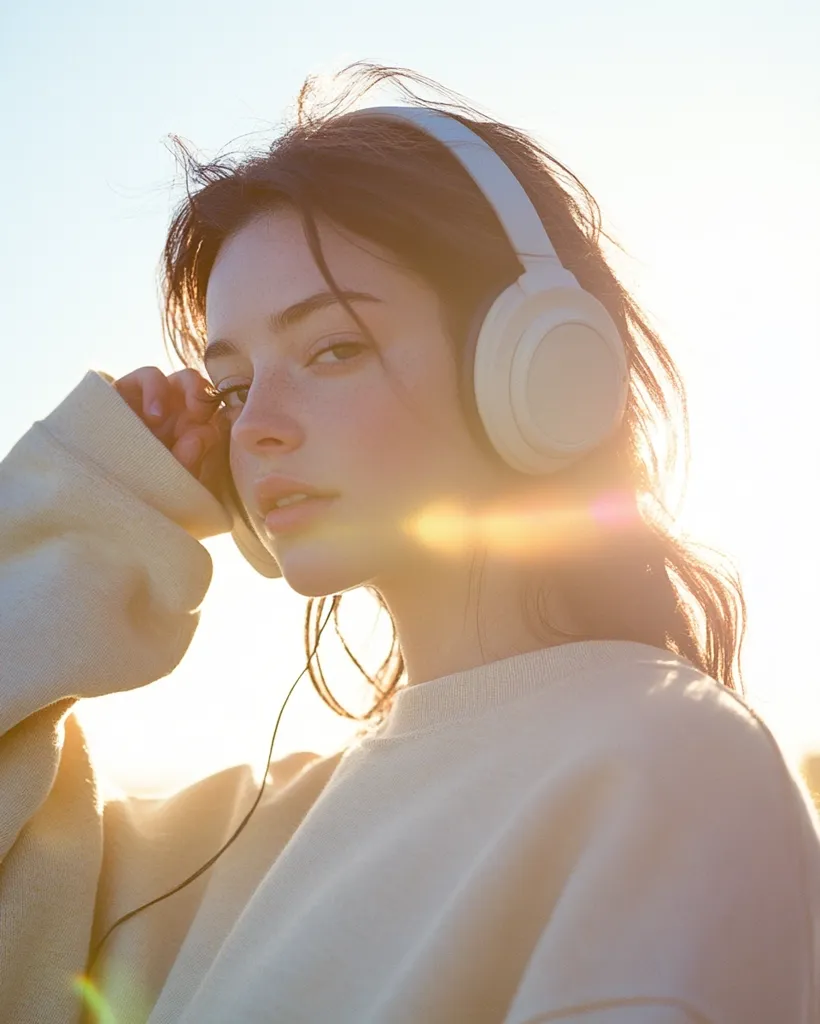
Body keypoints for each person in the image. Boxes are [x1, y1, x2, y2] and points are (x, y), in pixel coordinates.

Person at [1, 61, 818, 1024]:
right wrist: (88, 505)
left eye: (332, 348)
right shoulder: (211, 847)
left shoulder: (667, 769)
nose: (253, 425)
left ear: (534, 363)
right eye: (231, 384)